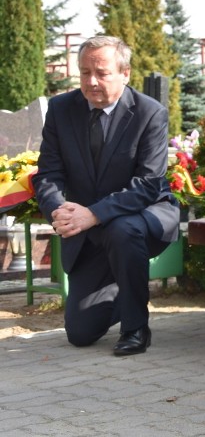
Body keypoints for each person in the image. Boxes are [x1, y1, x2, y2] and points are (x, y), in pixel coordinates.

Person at [33, 35, 180, 356]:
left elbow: (147, 184)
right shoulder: (61, 109)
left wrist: (93, 214)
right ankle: (128, 288)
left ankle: (136, 328)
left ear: (125, 73)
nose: (92, 81)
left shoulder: (149, 113)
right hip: (89, 230)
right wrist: (59, 210)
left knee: (121, 228)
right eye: (84, 73)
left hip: (144, 216)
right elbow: (48, 173)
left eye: (101, 72)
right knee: (80, 333)